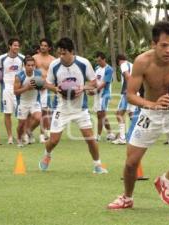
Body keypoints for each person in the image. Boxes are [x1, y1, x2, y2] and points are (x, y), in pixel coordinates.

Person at [107, 21, 169, 209]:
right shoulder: (142, 62)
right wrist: (152, 104)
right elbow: (130, 95)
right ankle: (127, 198)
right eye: (163, 45)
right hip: (149, 114)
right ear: (153, 44)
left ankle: (165, 180)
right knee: (131, 163)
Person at [38, 37, 107, 174]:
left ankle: (97, 165)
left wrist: (82, 88)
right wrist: (56, 89)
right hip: (62, 108)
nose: (61, 56)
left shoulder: (83, 63)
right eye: (59, 53)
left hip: (80, 109)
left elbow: (94, 83)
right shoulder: (55, 65)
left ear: (71, 52)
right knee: (54, 140)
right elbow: (48, 83)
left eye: (64, 53)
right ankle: (47, 155)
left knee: (90, 139)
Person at [0, 38, 24, 144]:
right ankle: (10, 137)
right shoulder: (2, 58)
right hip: (7, 89)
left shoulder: (22, 58)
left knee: (21, 114)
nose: (17, 47)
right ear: (9, 46)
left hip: (18, 89)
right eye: (14, 45)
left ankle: (21, 135)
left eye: (18, 45)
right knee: (7, 113)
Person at [14, 56, 42, 147]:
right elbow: (15, 92)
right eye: (28, 65)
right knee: (21, 124)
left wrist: (41, 86)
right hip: (23, 102)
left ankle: (27, 132)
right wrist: (27, 88)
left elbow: (42, 85)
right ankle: (19, 139)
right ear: (24, 66)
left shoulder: (38, 74)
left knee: (38, 118)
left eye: (32, 65)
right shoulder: (19, 76)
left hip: (34, 101)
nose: (31, 67)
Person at [33, 38, 56, 143]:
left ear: (49, 48)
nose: (43, 47)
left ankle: (45, 133)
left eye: (45, 45)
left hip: (46, 88)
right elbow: (28, 71)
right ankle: (30, 133)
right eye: (42, 45)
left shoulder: (53, 60)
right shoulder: (34, 58)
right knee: (34, 112)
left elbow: (55, 75)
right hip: (34, 89)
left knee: (46, 112)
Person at [111, 54, 137, 145]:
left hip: (128, 92)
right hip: (136, 92)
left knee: (119, 114)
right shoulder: (132, 65)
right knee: (132, 114)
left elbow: (127, 76)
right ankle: (136, 136)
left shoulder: (123, 65)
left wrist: (128, 89)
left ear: (119, 61)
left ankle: (122, 138)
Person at [91, 51, 116, 141]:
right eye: (97, 61)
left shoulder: (109, 69)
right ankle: (110, 133)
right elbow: (94, 81)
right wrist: (90, 89)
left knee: (99, 115)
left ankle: (97, 136)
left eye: (100, 60)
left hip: (104, 95)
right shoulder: (97, 68)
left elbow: (105, 83)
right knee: (103, 115)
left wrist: (95, 90)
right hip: (97, 94)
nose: (98, 62)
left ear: (104, 59)